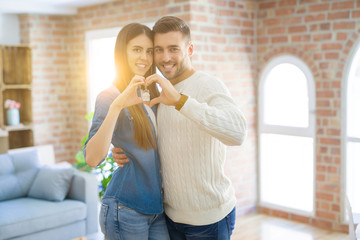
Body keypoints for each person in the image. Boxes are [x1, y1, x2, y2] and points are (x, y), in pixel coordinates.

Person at [113, 16, 247, 239]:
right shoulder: (156, 92)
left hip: (208, 219)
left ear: (190, 49)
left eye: (173, 49)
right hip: (169, 217)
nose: (165, 58)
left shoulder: (208, 85)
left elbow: (238, 133)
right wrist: (123, 151)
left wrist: (180, 101)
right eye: (159, 50)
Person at [84, 23, 169, 240]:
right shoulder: (109, 96)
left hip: (155, 207)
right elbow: (92, 158)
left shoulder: (151, 92)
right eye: (137, 49)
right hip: (125, 207)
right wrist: (118, 105)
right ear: (123, 52)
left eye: (149, 51)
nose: (145, 57)